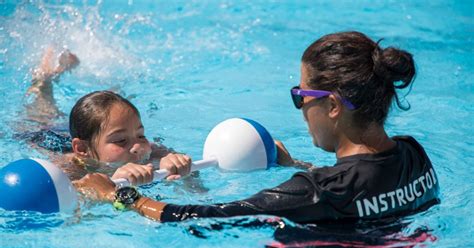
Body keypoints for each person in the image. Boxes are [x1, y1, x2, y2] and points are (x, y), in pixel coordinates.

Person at [74, 31, 440, 223]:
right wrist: (294, 165)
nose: (300, 109)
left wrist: (117, 196)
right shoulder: (414, 155)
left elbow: (196, 217)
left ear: (331, 106)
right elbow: (361, 186)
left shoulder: (313, 191)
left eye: (301, 95)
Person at [21, 48, 195, 185]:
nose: (137, 147)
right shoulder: (69, 169)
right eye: (120, 141)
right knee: (43, 115)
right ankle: (43, 80)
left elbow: (198, 189)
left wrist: (182, 170)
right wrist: (113, 182)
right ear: (81, 148)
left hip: (96, 133)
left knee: (109, 109)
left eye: (141, 135)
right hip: (50, 137)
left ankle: (111, 93)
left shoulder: (153, 152)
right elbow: (73, 210)